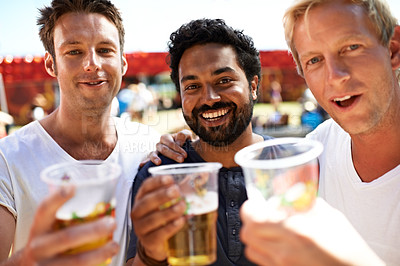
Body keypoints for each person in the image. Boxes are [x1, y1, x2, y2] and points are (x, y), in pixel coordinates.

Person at [240, 0, 400, 265]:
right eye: (314, 60)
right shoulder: (315, 154)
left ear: (393, 50)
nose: (335, 76)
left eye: (351, 47)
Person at [0, 0, 160, 265]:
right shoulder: (8, 158)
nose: (92, 63)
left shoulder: (149, 146)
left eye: (105, 50)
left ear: (122, 63)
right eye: (74, 51)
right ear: (51, 65)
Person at [126, 18, 270, 266]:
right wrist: (151, 254)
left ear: (253, 85)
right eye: (192, 86)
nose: (210, 98)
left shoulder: (289, 167)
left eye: (224, 80)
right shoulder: (159, 175)